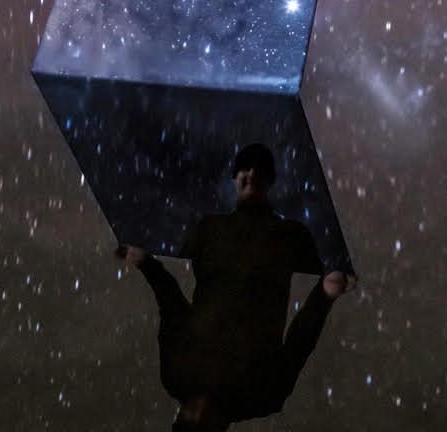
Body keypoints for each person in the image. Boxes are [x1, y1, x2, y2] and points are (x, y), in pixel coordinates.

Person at [118, 143, 354, 428]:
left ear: (180, 417)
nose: (200, 411)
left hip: (227, 257)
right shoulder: (262, 397)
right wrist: (324, 295)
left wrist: (146, 263)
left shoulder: (176, 375)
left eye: (191, 417)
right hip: (271, 259)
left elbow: (171, 307)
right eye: (205, 422)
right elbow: (299, 343)